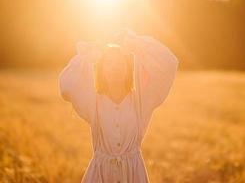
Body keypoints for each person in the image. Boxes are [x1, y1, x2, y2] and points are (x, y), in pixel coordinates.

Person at [58, 29, 179, 183]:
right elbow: (66, 85)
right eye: (109, 63)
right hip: (101, 176)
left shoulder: (141, 101)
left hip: (133, 176)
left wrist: (134, 42)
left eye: (120, 62)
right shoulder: (93, 103)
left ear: (128, 67)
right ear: (101, 69)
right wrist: (88, 54)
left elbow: (169, 63)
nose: (115, 68)